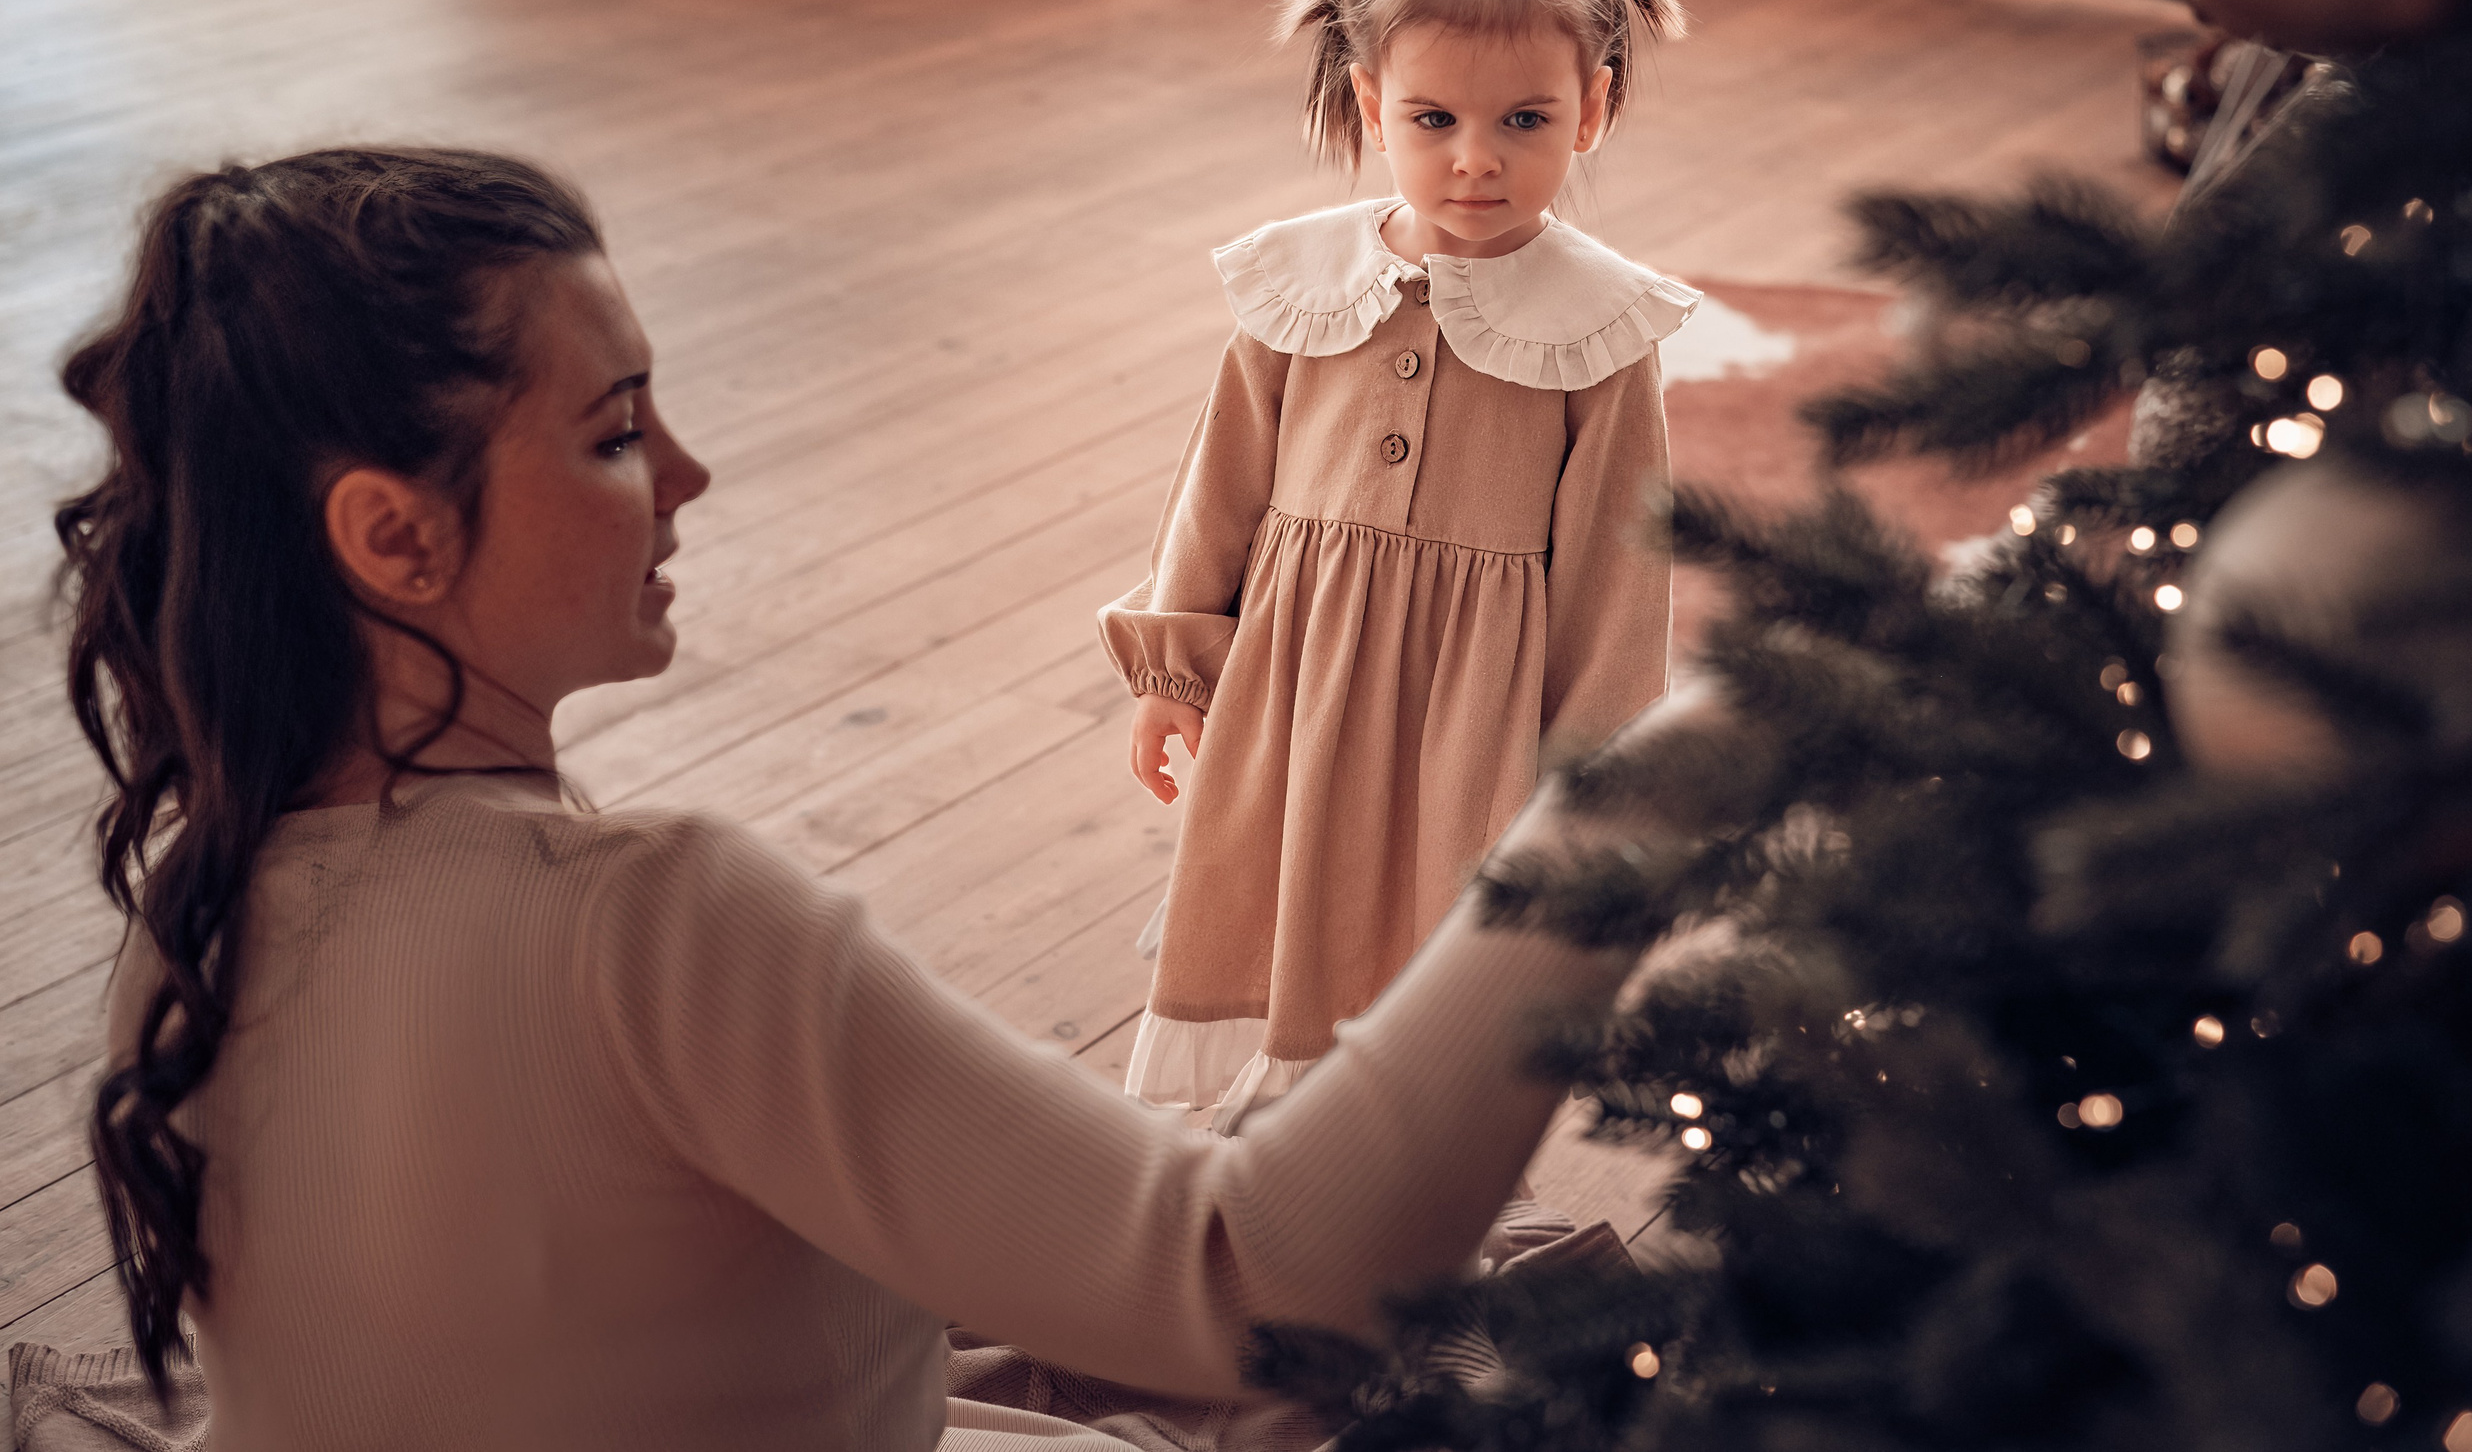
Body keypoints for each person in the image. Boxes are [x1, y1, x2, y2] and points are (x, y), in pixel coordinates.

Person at [58, 147, 1635, 1451]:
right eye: (617, 432)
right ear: (394, 537)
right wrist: (1616, 825)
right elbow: (1256, 1279)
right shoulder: (650, 919)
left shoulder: (191, 913)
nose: (686, 473)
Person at [1100, 0, 1694, 1128]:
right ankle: (1265, 1160)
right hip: (1297, 676)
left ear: (1591, 109)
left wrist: (1585, 784)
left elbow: (1616, 578)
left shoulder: (1598, 329)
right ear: (1372, 105)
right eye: (1433, 118)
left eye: (1524, 119)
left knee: (1434, 958)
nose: (1476, 157)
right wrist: (1173, 666)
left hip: (1473, 714)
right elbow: (1219, 489)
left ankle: (1406, 1196)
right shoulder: (1300, 283)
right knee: (1276, 908)